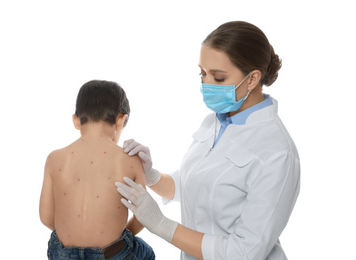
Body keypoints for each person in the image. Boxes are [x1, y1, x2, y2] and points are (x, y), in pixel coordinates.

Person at [115, 21, 300, 260]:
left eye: (219, 78)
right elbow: (191, 186)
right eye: (202, 73)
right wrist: (152, 175)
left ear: (253, 79)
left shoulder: (277, 152)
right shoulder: (214, 122)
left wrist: (162, 225)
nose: (206, 84)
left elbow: (244, 252)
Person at [39, 80, 155, 260]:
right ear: (120, 120)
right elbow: (144, 216)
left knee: (56, 242)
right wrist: (120, 236)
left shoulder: (54, 158)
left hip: (63, 254)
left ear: (76, 121)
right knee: (146, 253)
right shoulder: (130, 160)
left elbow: (46, 217)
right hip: (112, 253)